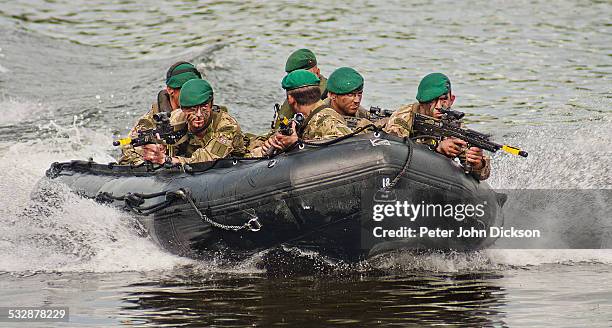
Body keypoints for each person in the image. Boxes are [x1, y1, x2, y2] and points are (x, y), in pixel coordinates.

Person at [384, 73, 491, 180]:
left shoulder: (453, 125)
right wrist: (436, 149)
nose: (439, 106)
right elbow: (392, 153)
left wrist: (477, 163)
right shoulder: (404, 117)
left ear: (452, 99)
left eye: (444, 99)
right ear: (422, 102)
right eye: (432, 100)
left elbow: (482, 175)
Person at [142, 78, 246, 164]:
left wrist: (168, 160)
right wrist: (155, 148)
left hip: (233, 161)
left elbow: (209, 157)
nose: (199, 115)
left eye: (204, 107)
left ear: (211, 104)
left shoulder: (227, 125)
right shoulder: (176, 119)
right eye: (192, 109)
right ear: (182, 108)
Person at [253, 69, 352, 156]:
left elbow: (348, 146)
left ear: (290, 99)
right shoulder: (305, 119)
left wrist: (296, 143)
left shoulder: (328, 119)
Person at [118, 61, 202, 165]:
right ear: (170, 90)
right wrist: (151, 158)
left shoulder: (204, 112)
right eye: (186, 90)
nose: (193, 95)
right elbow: (128, 151)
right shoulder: (150, 122)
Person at [272, 48, 328, 129]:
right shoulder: (294, 96)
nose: (300, 80)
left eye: (305, 75)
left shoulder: (330, 96)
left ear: (317, 73)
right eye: (295, 78)